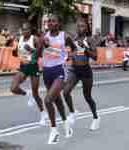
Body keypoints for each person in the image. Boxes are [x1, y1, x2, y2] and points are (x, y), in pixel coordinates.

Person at [38, 14, 74, 144]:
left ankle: (54, 131)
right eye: (49, 21)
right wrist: (42, 44)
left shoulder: (65, 36)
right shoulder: (44, 36)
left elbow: (73, 49)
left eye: (54, 21)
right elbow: (37, 54)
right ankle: (65, 123)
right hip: (47, 72)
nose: (51, 23)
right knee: (57, 100)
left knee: (48, 100)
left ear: (59, 23)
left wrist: (68, 56)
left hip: (59, 70)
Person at [63, 16, 100, 130]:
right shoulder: (73, 38)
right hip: (74, 70)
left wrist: (85, 48)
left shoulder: (90, 39)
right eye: (78, 26)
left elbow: (95, 57)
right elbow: (72, 53)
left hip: (85, 71)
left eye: (82, 26)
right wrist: (68, 57)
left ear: (86, 27)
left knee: (87, 97)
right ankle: (73, 113)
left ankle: (96, 118)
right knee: (65, 92)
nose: (80, 28)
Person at [10, 25, 47, 125]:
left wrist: (31, 50)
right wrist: (14, 51)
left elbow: (41, 53)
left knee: (36, 93)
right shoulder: (20, 39)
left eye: (27, 29)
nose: (24, 31)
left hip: (33, 67)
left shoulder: (34, 39)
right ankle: (27, 94)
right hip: (23, 67)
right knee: (13, 88)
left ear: (30, 30)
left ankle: (43, 115)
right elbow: (15, 54)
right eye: (23, 29)